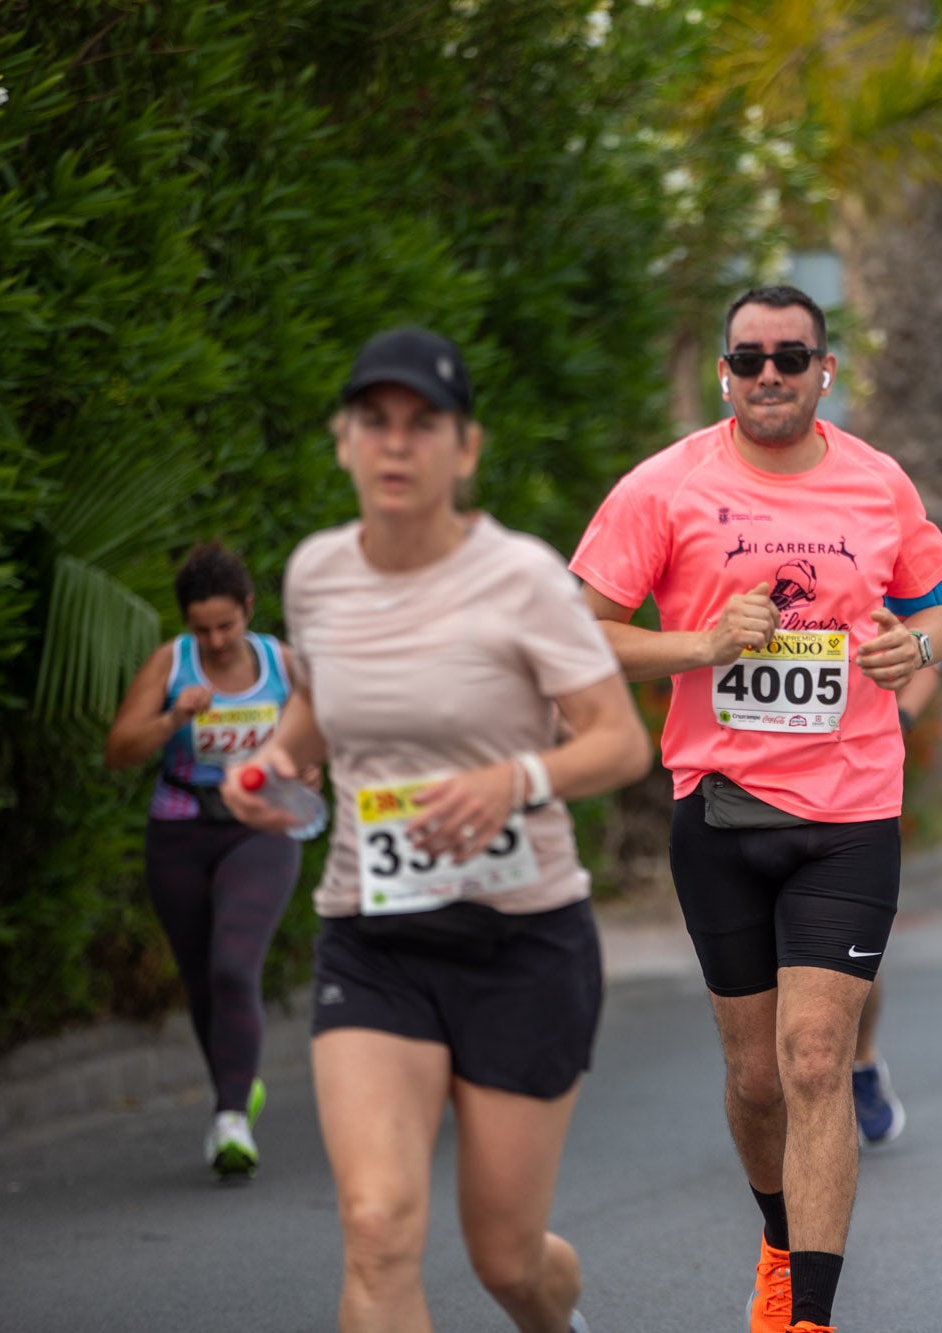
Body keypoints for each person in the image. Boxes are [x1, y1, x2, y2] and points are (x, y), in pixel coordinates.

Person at [221, 327, 651, 1333]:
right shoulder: (317, 574)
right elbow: (323, 706)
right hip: (375, 937)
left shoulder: (524, 578)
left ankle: (556, 1315)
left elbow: (620, 742)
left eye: (424, 424)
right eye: (375, 421)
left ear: (465, 449)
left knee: (506, 1258)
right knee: (376, 1227)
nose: (396, 444)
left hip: (523, 941)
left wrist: (516, 778)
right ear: (342, 441)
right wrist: (279, 762)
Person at [570, 285, 942, 1333]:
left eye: (792, 356)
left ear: (824, 369)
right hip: (722, 809)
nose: (771, 374)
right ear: (724, 372)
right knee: (753, 1079)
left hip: (850, 809)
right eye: (750, 359)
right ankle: (778, 1242)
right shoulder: (664, 488)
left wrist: (914, 646)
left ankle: (810, 1317)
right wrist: (698, 645)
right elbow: (581, 630)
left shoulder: (876, 481)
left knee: (815, 1058)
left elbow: (938, 603)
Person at [104, 542, 303, 1178]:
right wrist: (171, 718)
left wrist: (311, 770)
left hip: (260, 829)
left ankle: (229, 1119)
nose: (215, 642)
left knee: (233, 962)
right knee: (200, 978)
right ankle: (238, 1083)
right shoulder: (174, 663)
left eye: (226, 625)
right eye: (202, 629)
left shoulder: (281, 663)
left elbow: (323, 733)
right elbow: (119, 749)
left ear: (248, 610)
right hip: (182, 830)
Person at [849, 666, 942, 1150]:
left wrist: (896, 722)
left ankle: (862, 1061)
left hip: (850, 791)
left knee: (853, 950)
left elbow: (930, 658)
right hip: (747, 788)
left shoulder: (874, 587)